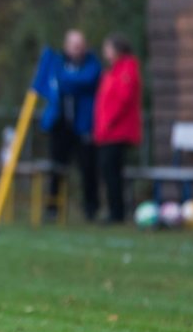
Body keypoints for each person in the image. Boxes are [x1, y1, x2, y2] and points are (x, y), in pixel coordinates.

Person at [30, 30, 101, 221]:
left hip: (83, 126)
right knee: (56, 169)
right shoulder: (58, 62)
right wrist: (64, 80)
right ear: (66, 46)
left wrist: (64, 80)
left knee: (88, 169)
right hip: (60, 126)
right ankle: (52, 209)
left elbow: (86, 80)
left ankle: (91, 210)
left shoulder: (92, 64)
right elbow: (52, 82)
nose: (76, 49)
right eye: (73, 45)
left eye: (80, 45)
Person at [93, 34, 142, 223]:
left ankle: (117, 213)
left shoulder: (127, 69)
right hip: (108, 131)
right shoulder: (114, 70)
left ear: (117, 50)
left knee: (113, 173)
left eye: (108, 48)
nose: (105, 52)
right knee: (108, 172)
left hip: (117, 132)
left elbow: (122, 100)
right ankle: (114, 210)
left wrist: (108, 122)